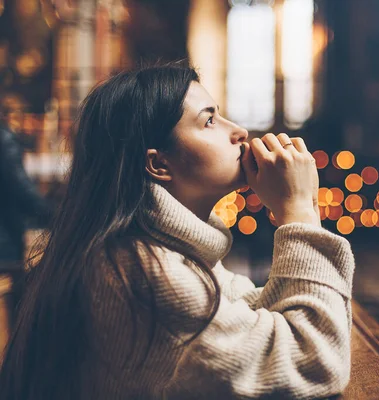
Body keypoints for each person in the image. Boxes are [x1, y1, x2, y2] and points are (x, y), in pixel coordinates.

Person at [0, 64, 355, 400]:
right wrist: (299, 211)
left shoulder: (158, 247)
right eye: (210, 121)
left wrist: (297, 206)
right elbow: (316, 360)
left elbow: (255, 315)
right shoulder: (141, 269)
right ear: (157, 163)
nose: (239, 131)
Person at [0, 122, 51, 325]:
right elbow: (21, 190)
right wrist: (56, 216)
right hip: (5, 244)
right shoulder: (3, 139)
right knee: (12, 315)